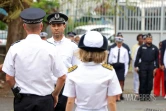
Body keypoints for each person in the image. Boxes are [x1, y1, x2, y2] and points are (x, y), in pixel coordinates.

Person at [2, 8, 66, 111]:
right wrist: (55, 94)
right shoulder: (51, 48)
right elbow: (62, 77)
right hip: (45, 100)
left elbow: (9, 78)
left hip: (23, 100)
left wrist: (17, 91)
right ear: (41, 27)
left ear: (24, 27)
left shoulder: (15, 48)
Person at [63, 31, 122, 111]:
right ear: (103, 52)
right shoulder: (109, 71)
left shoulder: (73, 72)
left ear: (82, 51)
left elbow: (70, 101)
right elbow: (111, 102)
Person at [47, 12, 80, 111]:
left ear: (64, 26)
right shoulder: (45, 44)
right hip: (47, 86)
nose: (56, 28)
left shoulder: (72, 46)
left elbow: (77, 67)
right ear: (50, 27)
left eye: (59, 25)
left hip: (65, 88)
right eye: (53, 25)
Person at [134, 34, 159, 101]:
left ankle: (147, 96)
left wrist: (156, 67)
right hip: (143, 65)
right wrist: (136, 66)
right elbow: (137, 57)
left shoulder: (155, 48)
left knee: (150, 82)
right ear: (145, 40)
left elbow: (157, 58)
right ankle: (142, 96)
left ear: (152, 40)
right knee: (143, 80)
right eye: (148, 39)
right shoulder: (142, 47)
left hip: (151, 66)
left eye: (150, 39)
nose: (149, 40)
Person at [108, 36, 129, 101]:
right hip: (115, 66)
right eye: (118, 42)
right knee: (114, 82)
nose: (119, 44)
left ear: (122, 42)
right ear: (116, 42)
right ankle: (114, 95)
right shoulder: (113, 49)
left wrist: (126, 71)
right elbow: (109, 60)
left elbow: (126, 61)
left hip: (121, 66)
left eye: (120, 42)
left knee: (121, 82)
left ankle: (119, 96)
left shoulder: (125, 50)